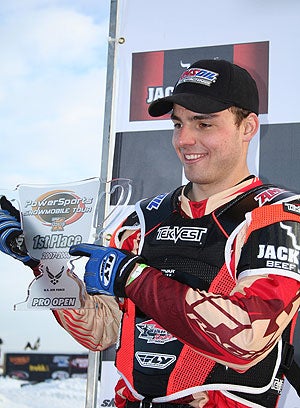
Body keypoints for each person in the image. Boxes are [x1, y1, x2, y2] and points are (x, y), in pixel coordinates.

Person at [0, 59, 299, 408]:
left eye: (204, 124)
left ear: (247, 127)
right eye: (178, 123)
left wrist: (132, 276)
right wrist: (45, 263)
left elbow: (248, 337)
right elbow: (101, 332)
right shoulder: (143, 219)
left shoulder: (275, 215)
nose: (184, 139)